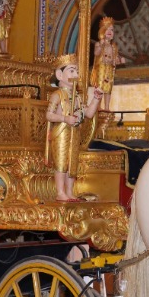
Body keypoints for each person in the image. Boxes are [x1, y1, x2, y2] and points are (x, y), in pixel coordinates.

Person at [46, 54, 102, 201]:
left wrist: (96, 98)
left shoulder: (77, 97)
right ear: (59, 75)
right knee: (61, 162)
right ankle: (60, 192)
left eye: (76, 71)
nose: (75, 74)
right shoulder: (57, 95)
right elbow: (49, 115)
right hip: (62, 132)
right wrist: (65, 118)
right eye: (71, 71)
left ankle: (70, 192)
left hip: (74, 132)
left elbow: (89, 114)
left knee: (72, 164)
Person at [90, 16, 126, 111]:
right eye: (107, 29)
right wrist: (101, 45)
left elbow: (115, 59)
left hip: (109, 68)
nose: (110, 31)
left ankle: (106, 107)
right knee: (100, 86)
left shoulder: (113, 46)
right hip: (101, 67)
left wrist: (120, 61)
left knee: (108, 88)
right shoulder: (99, 43)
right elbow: (96, 53)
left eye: (112, 30)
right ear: (102, 31)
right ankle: (98, 106)